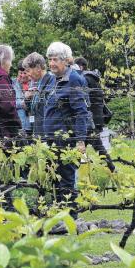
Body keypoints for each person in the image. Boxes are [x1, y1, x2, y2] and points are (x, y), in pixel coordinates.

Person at [44, 42, 89, 217]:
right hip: (52, 139)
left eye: (55, 59)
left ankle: (71, 217)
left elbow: (81, 112)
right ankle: (59, 215)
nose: (52, 63)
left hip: (66, 140)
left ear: (65, 61)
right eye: (50, 59)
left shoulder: (74, 80)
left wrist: (80, 140)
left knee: (67, 179)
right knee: (55, 178)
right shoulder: (53, 79)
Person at [74, 56, 115, 172]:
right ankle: (111, 168)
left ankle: (111, 168)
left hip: (89, 119)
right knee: (89, 146)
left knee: (94, 146)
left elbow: (83, 99)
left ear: (80, 66)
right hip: (96, 117)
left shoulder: (84, 79)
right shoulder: (94, 78)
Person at [22, 52, 54, 136]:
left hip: (47, 135)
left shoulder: (51, 83)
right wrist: (27, 99)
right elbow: (33, 110)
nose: (28, 74)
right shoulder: (38, 83)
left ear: (38, 68)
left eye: (28, 71)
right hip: (38, 132)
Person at [12, 60, 31, 131]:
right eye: (21, 73)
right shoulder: (12, 84)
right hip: (18, 125)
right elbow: (9, 103)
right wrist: (21, 104)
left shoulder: (34, 84)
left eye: (25, 73)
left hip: (32, 125)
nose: (22, 75)